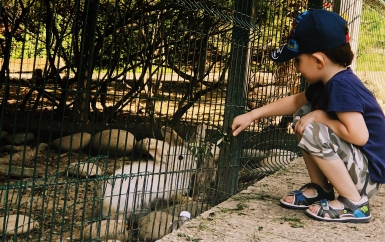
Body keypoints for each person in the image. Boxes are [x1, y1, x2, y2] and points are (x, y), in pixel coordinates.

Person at [231, 9, 385, 223]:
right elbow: (295, 102)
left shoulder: (342, 86)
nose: (296, 68)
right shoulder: (328, 82)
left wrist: (321, 116)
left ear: (318, 61)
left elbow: (359, 136)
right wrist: (252, 115)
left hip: (368, 176)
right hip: (358, 168)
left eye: (297, 61)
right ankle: (321, 188)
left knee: (313, 124)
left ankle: (354, 203)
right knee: (303, 114)